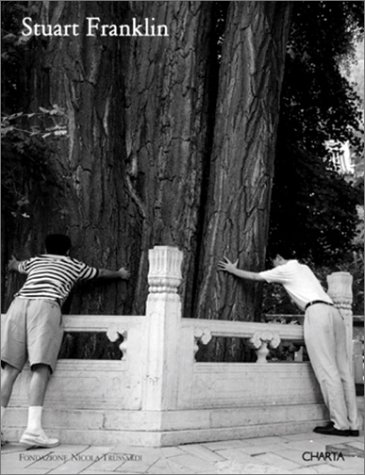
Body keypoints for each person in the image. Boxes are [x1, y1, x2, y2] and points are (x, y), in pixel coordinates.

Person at [1, 233, 130, 449]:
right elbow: (100, 273)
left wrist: (13, 264)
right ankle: (33, 430)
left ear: (45, 247)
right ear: (68, 251)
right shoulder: (73, 264)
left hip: (17, 306)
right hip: (45, 307)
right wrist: (120, 273)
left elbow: (18, 266)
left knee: (10, 371)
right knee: (40, 367)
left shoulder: (36, 260)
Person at [218, 253, 359, 437]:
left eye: (273, 262)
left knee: (327, 369)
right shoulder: (304, 268)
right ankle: (354, 424)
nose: (274, 266)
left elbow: (255, 277)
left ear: (278, 259)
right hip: (334, 312)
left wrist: (232, 270)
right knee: (344, 371)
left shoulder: (285, 269)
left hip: (316, 312)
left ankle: (340, 424)